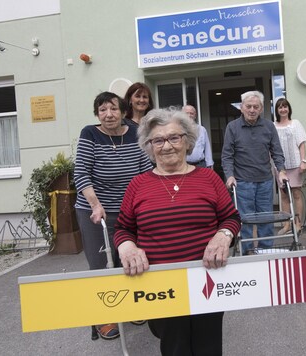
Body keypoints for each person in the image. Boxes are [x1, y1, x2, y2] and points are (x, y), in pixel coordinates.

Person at [114, 108, 240, 355]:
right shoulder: (137, 185)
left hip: (208, 280)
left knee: (209, 347)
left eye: (174, 137)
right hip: (160, 286)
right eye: (158, 140)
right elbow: (123, 228)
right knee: (174, 347)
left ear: (187, 141)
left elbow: (231, 217)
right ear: (149, 146)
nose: (167, 146)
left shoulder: (209, 178)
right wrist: (126, 246)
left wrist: (223, 234)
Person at [73, 91, 153, 339]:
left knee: (128, 260)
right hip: (95, 211)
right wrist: (96, 204)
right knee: (100, 264)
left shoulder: (135, 134)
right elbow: (81, 174)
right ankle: (103, 317)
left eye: (113, 109)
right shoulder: (90, 133)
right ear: (97, 113)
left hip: (129, 211)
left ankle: (130, 306)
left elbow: (146, 171)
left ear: (123, 111)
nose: (108, 114)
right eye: (102, 110)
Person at [221, 90, 287, 254]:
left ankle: (266, 252)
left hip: (265, 180)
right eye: (248, 106)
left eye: (255, 107)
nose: (252, 110)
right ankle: (247, 253)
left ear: (261, 108)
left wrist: (281, 171)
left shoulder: (268, 126)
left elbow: (277, 151)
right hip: (242, 182)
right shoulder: (233, 127)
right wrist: (229, 175)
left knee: (266, 219)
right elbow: (227, 155)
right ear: (242, 108)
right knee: (245, 220)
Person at [273, 98, 306, 235]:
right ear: (276, 110)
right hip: (280, 167)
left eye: (285, 107)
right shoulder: (273, 126)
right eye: (280, 107)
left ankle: (298, 224)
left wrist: (303, 161)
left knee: (297, 194)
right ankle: (286, 224)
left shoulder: (296, 124)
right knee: (284, 196)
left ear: (289, 109)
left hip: (295, 165)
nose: (283, 109)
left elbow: (302, 144)